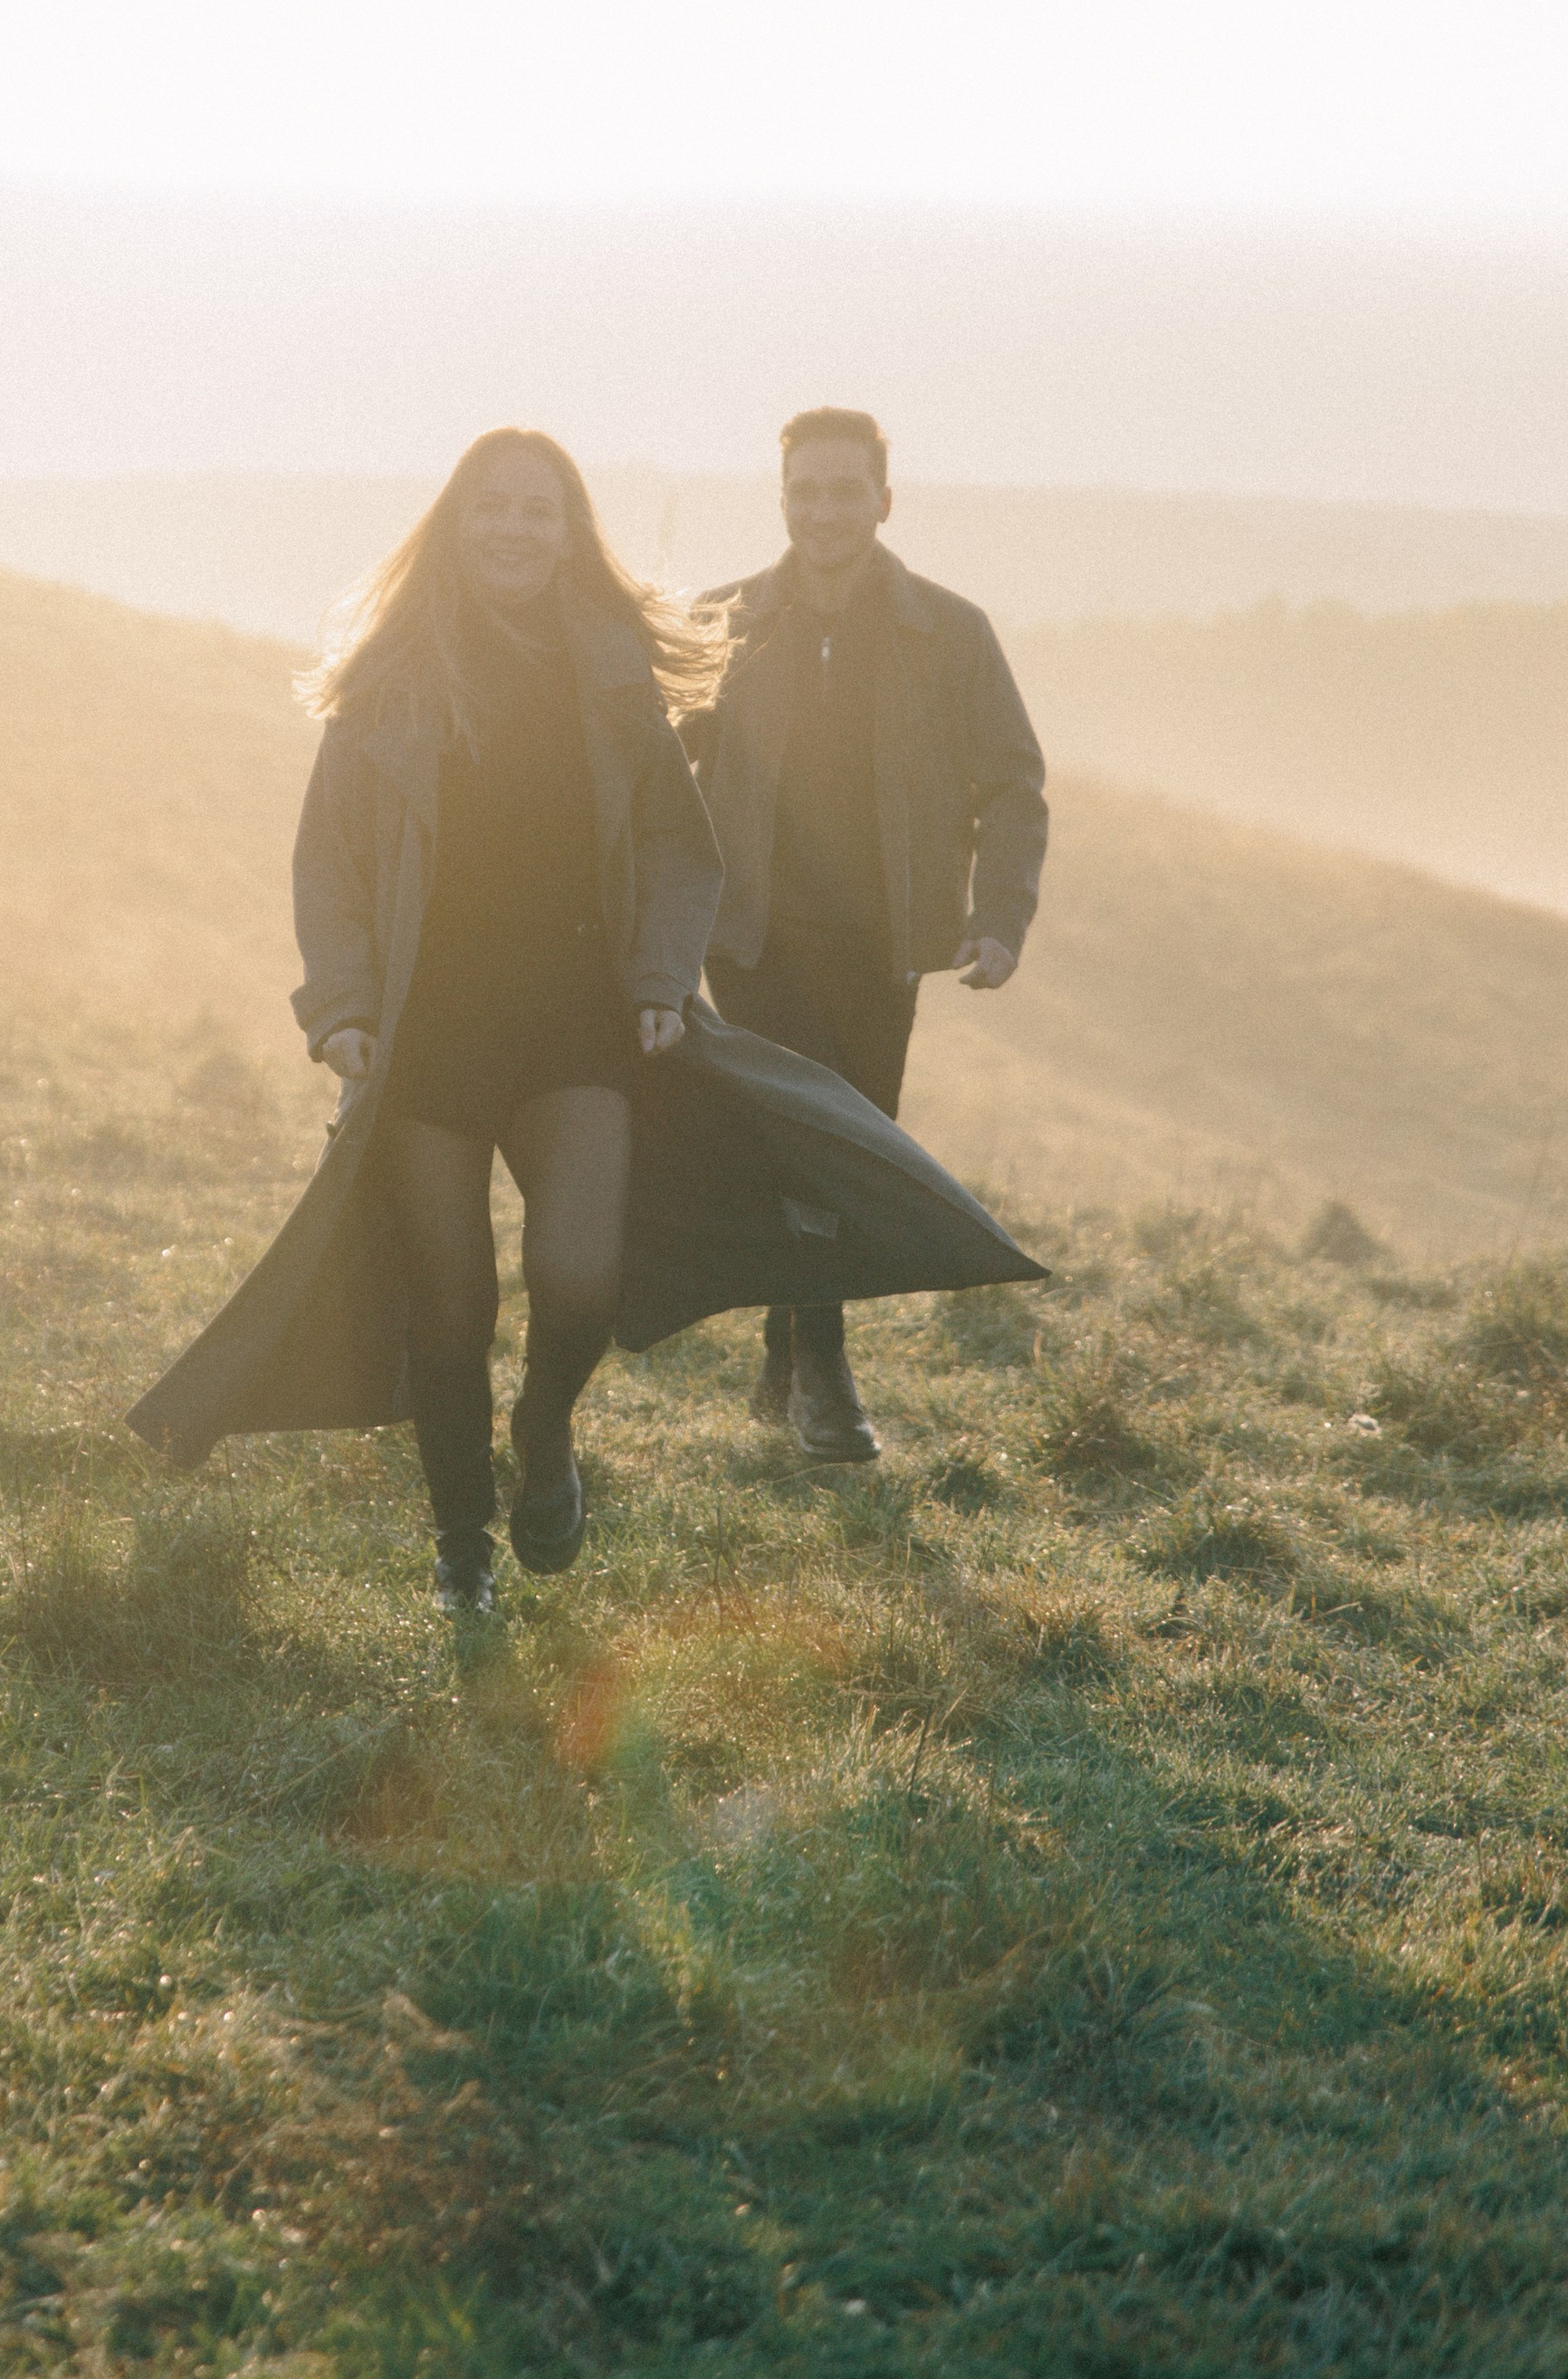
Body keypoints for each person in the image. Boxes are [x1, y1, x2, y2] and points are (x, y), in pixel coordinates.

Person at [128, 428, 1046, 1613]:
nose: (514, 530)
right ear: (456, 527)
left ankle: (545, 1429)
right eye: (493, 510)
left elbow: (676, 840)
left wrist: (662, 980)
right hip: (429, 1035)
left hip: (579, 1021)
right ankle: (463, 1547)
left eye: (539, 512)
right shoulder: (389, 681)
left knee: (578, 1276)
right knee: (451, 1304)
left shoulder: (611, 671)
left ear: (569, 535)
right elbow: (331, 866)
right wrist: (342, 1008)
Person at [692, 407, 1048, 1463]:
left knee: (849, 1144)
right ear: (783, 499)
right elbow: (652, 780)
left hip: (884, 942)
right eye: (804, 492)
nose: (823, 512)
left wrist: (997, 922)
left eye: (844, 491)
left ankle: (786, 1345)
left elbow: (1013, 789)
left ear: (883, 503)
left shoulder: (949, 631)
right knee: (806, 1148)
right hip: (749, 939)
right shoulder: (721, 623)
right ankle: (826, 1375)